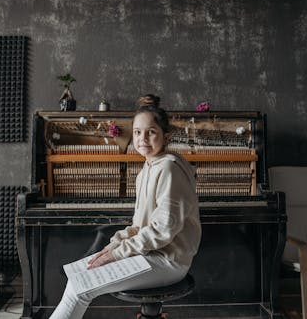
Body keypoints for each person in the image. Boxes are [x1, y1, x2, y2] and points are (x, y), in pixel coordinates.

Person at [49, 94, 202, 319]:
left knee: (80, 289)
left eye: (151, 132)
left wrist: (118, 254)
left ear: (166, 136)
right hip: (149, 253)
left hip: (168, 261)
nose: (143, 138)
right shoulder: (146, 171)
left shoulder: (169, 169)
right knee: (77, 276)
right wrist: (112, 248)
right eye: (138, 132)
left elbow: (163, 229)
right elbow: (138, 226)